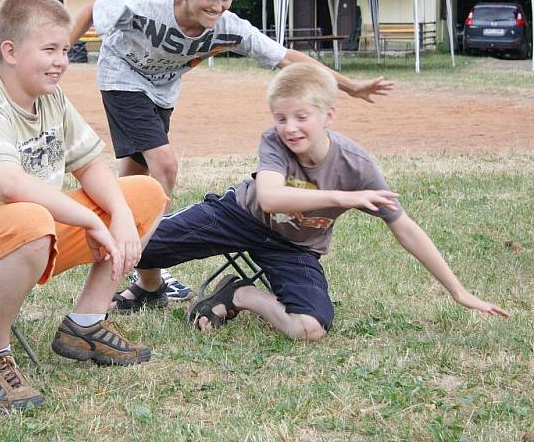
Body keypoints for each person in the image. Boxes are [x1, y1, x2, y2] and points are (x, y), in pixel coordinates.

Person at [71, 0, 395, 309]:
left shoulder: (230, 27)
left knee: (135, 180)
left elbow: (289, 59)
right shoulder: (145, 5)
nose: (218, 6)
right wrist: (58, 56)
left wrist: (351, 86)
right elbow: (89, 11)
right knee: (165, 166)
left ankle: (147, 283)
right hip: (122, 76)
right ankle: (134, 259)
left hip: (162, 92)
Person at [0, 0, 167, 413]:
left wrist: (120, 215)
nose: (61, 61)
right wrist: (92, 221)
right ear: (9, 51)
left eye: (65, 50)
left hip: (28, 229)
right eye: (49, 49)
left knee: (145, 194)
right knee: (29, 217)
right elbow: (10, 186)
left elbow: (90, 165)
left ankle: (85, 323)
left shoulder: (52, 98)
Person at [127, 62, 509, 339]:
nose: (289, 128)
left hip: (295, 245)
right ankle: (150, 287)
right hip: (239, 216)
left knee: (310, 328)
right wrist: (344, 197)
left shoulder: (356, 166)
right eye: (281, 118)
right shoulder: (275, 140)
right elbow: (271, 198)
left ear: (329, 115)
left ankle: (240, 294)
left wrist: (457, 291)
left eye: (301, 117)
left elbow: (405, 229)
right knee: (133, 248)